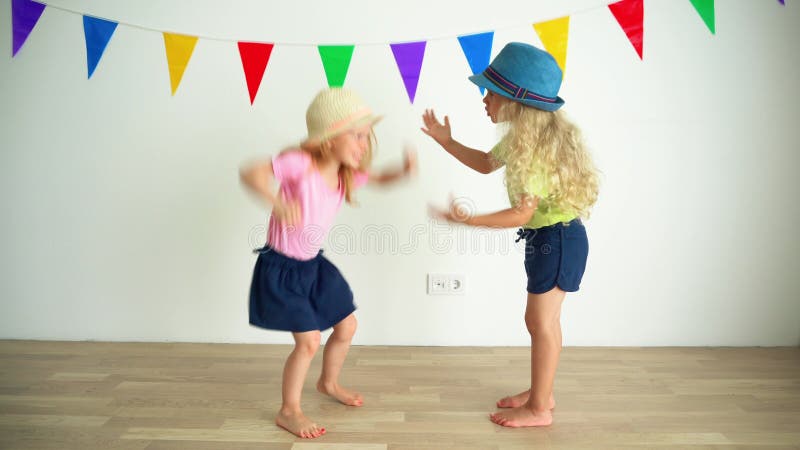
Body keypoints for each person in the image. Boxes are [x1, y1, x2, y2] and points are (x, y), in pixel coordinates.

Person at [422, 42, 599, 427]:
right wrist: (448, 142)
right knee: (543, 322)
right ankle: (542, 393)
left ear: (514, 101)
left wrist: (470, 221)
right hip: (550, 241)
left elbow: (522, 213)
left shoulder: (534, 150)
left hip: (559, 241)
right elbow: (487, 164)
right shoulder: (522, 141)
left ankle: (539, 409)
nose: (485, 100)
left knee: (540, 323)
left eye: (491, 93)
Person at [240, 87, 416, 439]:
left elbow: (378, 179)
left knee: (347, 326)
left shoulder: (345, 174)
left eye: (367, 137)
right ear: (329, 138)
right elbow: (251, 172)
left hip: (313, 266)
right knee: (308, 342)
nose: (365, 145)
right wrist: (274, 200)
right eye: (358, 135)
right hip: (282, 269)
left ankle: (328, 382)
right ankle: (288, 410)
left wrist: (402, 171)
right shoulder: (300, 164)